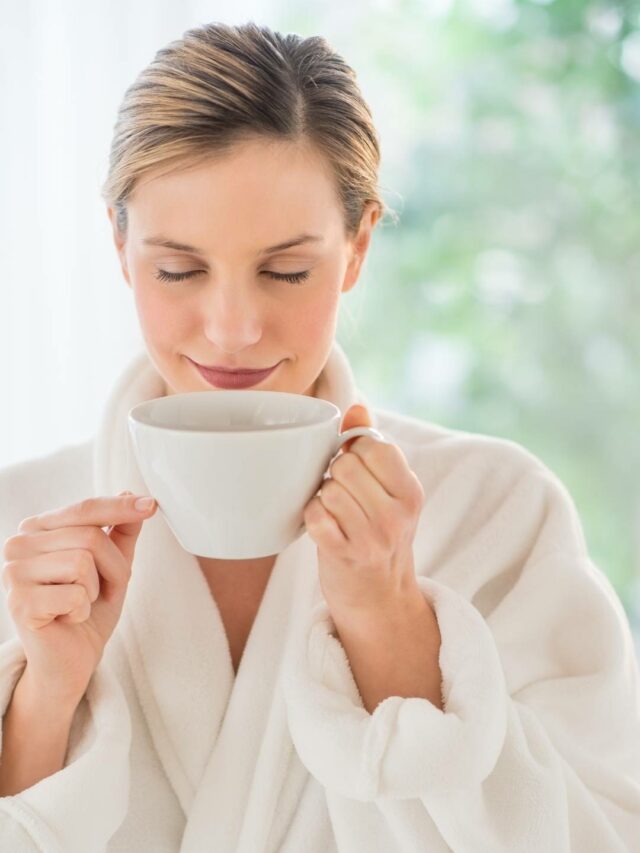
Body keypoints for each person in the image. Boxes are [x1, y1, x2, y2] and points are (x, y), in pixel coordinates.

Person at [0, 20, 638, 853]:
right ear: (121, 248)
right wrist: (46, 691)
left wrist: (393, 630)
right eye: (179, 270)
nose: (231, 330)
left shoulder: (498, 512)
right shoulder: (22, 526)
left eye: (286, 271)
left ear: (359, 244)